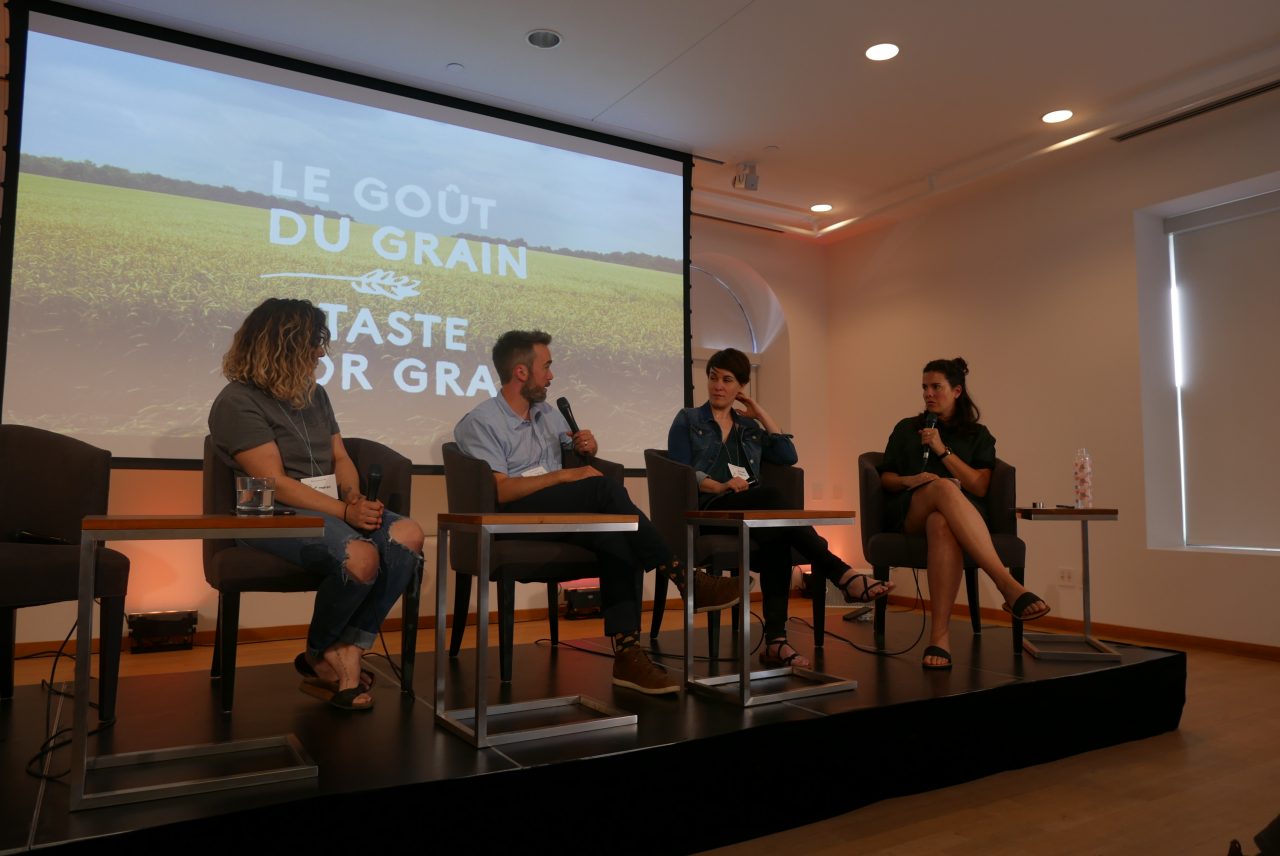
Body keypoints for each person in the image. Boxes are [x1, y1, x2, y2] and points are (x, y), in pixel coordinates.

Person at [453, 330, 740, 695]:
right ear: (521, 372)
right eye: (547, 367)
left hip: (557, 510)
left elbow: (573, 451)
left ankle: (627, 656)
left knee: (617, 533)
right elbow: (501, 490)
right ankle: (686, 579)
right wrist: (567, 475)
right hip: (513, 515)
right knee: (603, 487)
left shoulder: (547, 414)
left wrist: (586, 445)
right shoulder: (481, 421)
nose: (552, 376)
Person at [209, 298, 424, 711]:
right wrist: (344, 512)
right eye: (314, 343)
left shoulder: (316, 395)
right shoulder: (236, 401)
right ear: (283, 345)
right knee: (360, 558)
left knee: (407, 535)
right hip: (268, 512)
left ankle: (341, 647)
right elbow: (274, 485)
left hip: (327, 507)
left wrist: (354, 497)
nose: (321, 353)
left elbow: (340, 458)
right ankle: (326, 653)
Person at [667, 348, 894, 669]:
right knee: (772, 498)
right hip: (709, 509)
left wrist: (759, 412)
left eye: (727, 380)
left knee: (778, 540)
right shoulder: (688, 419)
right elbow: (681, 471)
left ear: (740, 388)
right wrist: (720, 486)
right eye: (713, 377)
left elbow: (788, 455)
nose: (718, 385)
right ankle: (841, 574)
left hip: (751, 511)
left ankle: (776, 642)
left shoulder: (748, 428)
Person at [878, 357, 1049, 670]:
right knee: (944, 489)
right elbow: (885, 477)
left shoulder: (977, 434)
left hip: (958, 518)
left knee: (941, 520)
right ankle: (1007, 585)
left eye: (936, 387)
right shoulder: (907, 429)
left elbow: (981, 486)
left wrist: (943, 450)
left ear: (956, 391)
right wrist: (912, 480)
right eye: (924, 387)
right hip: (909, 510)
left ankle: (939, 638)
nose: (928, 394)